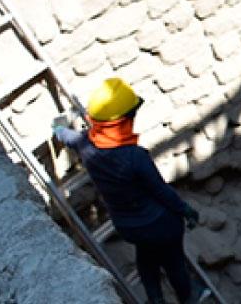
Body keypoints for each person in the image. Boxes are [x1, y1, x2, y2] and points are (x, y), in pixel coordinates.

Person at [53, 78, 202, 304]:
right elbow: (161, 192)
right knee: (174, 262)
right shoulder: (135, 157)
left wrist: (58, 128)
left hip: (129, 227)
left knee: (146, 257)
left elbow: (66, 136)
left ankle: (155, 299)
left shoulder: (85, 143)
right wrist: (185, 210)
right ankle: (187, 299)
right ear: (121, 122)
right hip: (161, 225)